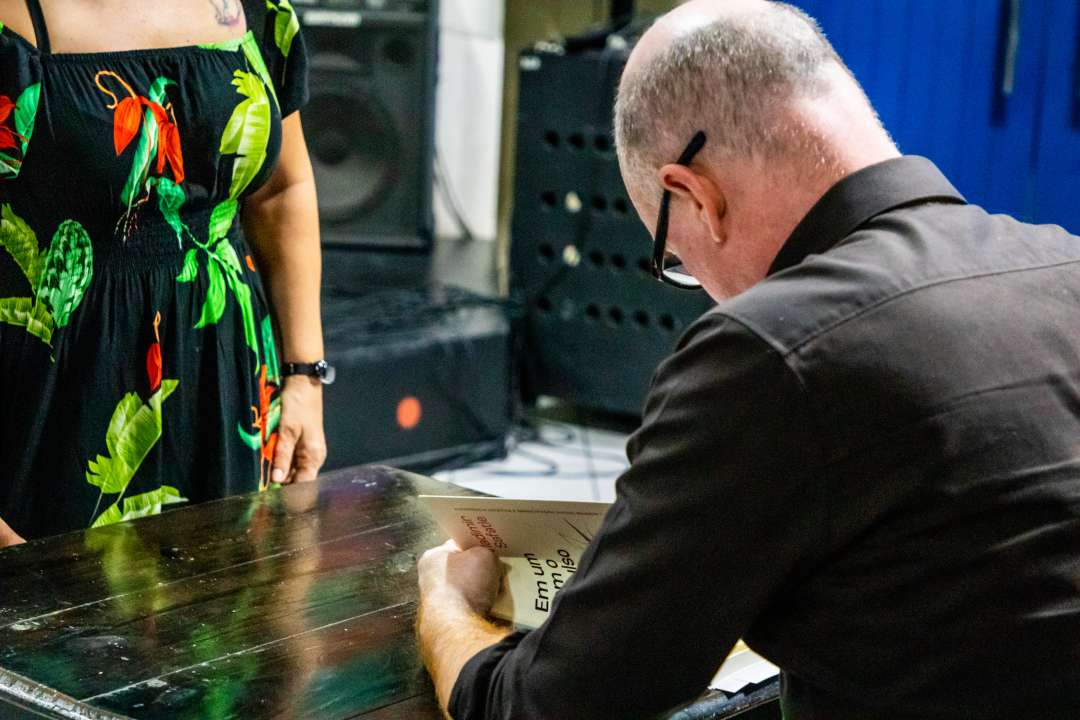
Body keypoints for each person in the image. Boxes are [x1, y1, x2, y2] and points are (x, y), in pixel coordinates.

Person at [416, 1, 1080, 718]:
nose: (699, 288)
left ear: (693, 194)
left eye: (675, 260)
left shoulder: (768, 350)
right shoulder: (1064, 264)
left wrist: (447, 611)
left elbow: (546, 706)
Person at [0, 0, 327, 545]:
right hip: (53, 405)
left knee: (225, 591)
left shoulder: (257, 9)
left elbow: (281, 190)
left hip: (226, 383)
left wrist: (304, 375)